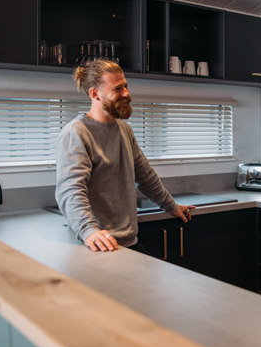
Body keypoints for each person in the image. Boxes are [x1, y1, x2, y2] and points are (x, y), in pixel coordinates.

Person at [55, 59, 195, 252]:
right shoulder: (76, 133)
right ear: (95, 94)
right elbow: (71, 190)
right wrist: (88, 231)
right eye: (117, 89)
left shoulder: (124, 129)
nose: (127, 94)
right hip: (98, 246)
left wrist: (171, 206)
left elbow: (145, 176)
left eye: (126, 86)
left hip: (129, 241)